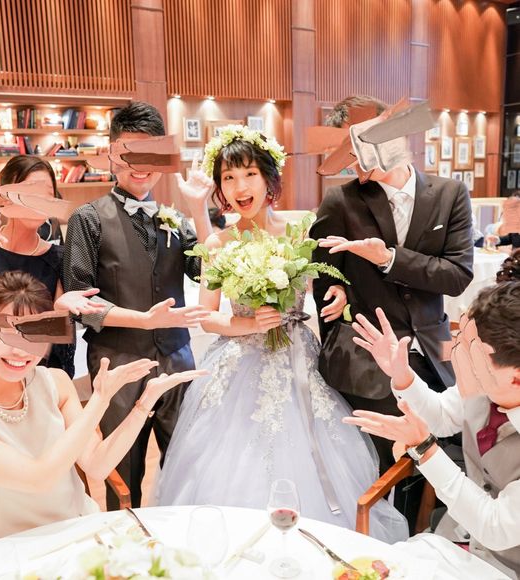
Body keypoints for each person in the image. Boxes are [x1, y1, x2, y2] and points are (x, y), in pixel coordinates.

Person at [157, 126, 407, 543]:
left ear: (269, 179)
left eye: (249, 174)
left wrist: (339, 292)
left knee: (311, 453)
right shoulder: (218, 242)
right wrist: (249, 324)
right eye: (229, 178)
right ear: (219, 187)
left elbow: (329, 281)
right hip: (237, 367)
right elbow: (207, 317)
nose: (240, 187)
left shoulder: (299, 235)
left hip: (297, 361)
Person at [0, 271, 203, 551]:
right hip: (5, 552)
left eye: (34, 334)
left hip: (77, 534)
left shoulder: (54, 382)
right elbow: (37, 479)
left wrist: (143, 404)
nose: (21, 351)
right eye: (6, 334)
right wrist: (100, 399)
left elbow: (97, 465)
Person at [310, 95, 474, 481]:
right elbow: (324, 273)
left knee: (445, 458)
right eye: (344, 151)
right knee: (383, 472)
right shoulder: (340, 201)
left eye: (356, 144)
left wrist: (389, 259)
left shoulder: (450, 194)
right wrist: (339, 292)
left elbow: (457, 275)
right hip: (368, 366)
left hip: (437, 357)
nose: (351, 159)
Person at [63, 101, 213, 509]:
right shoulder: (87, 219)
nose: (140, 166)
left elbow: (208, 271)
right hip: (118, 365)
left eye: (150, 154)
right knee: (123, 472)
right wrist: (143, 320)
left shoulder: (175, 219)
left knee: (186, 467)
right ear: (112, 155)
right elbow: (80, 302)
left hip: (177, 359)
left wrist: (199, 210)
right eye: (130, 153)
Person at [344, 281, 520, 578]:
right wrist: (402, 375)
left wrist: (425, 449)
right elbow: (441, 415)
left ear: (516, 378)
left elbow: (494, 527)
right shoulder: (483, 382)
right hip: (456, 538)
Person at [0, 155, 100, 381]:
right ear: (6, 195)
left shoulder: (58, 258)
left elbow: (56, 341)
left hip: (29, 375)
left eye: (47, 194)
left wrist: (58, 310)